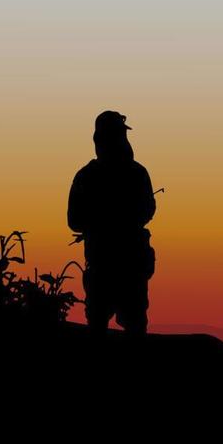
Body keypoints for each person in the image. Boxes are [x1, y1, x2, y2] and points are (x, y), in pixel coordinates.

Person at [68, 110, 157, 335]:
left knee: (113, 325)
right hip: (114, 266)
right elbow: (75, 220)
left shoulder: (86, 176)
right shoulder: (137, 173)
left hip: (118, 266)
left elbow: (75, 221)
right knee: (121, 326)